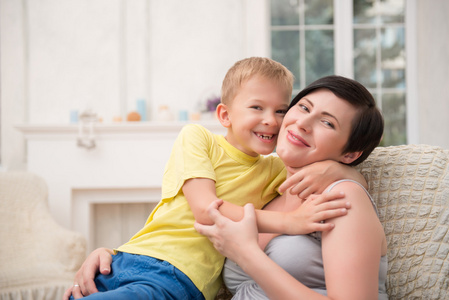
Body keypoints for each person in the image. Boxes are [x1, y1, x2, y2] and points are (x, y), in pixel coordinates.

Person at [64, 58, 366, 300]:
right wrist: (292, 222)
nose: (270, 120)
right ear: (224, 115)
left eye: (280, 110)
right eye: (256, 108)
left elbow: (351, 184)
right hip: (126, 258)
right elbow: (205, 211)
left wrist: (340, 170)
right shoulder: (197, 137)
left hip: (177, 276)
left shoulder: (274, 170)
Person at [194, 75, 388, 300]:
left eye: (327, 122)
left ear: (350, 154)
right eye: (304, 107)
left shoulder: (342, 198)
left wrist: (247, 255)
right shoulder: (268, 192)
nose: (303, 124)